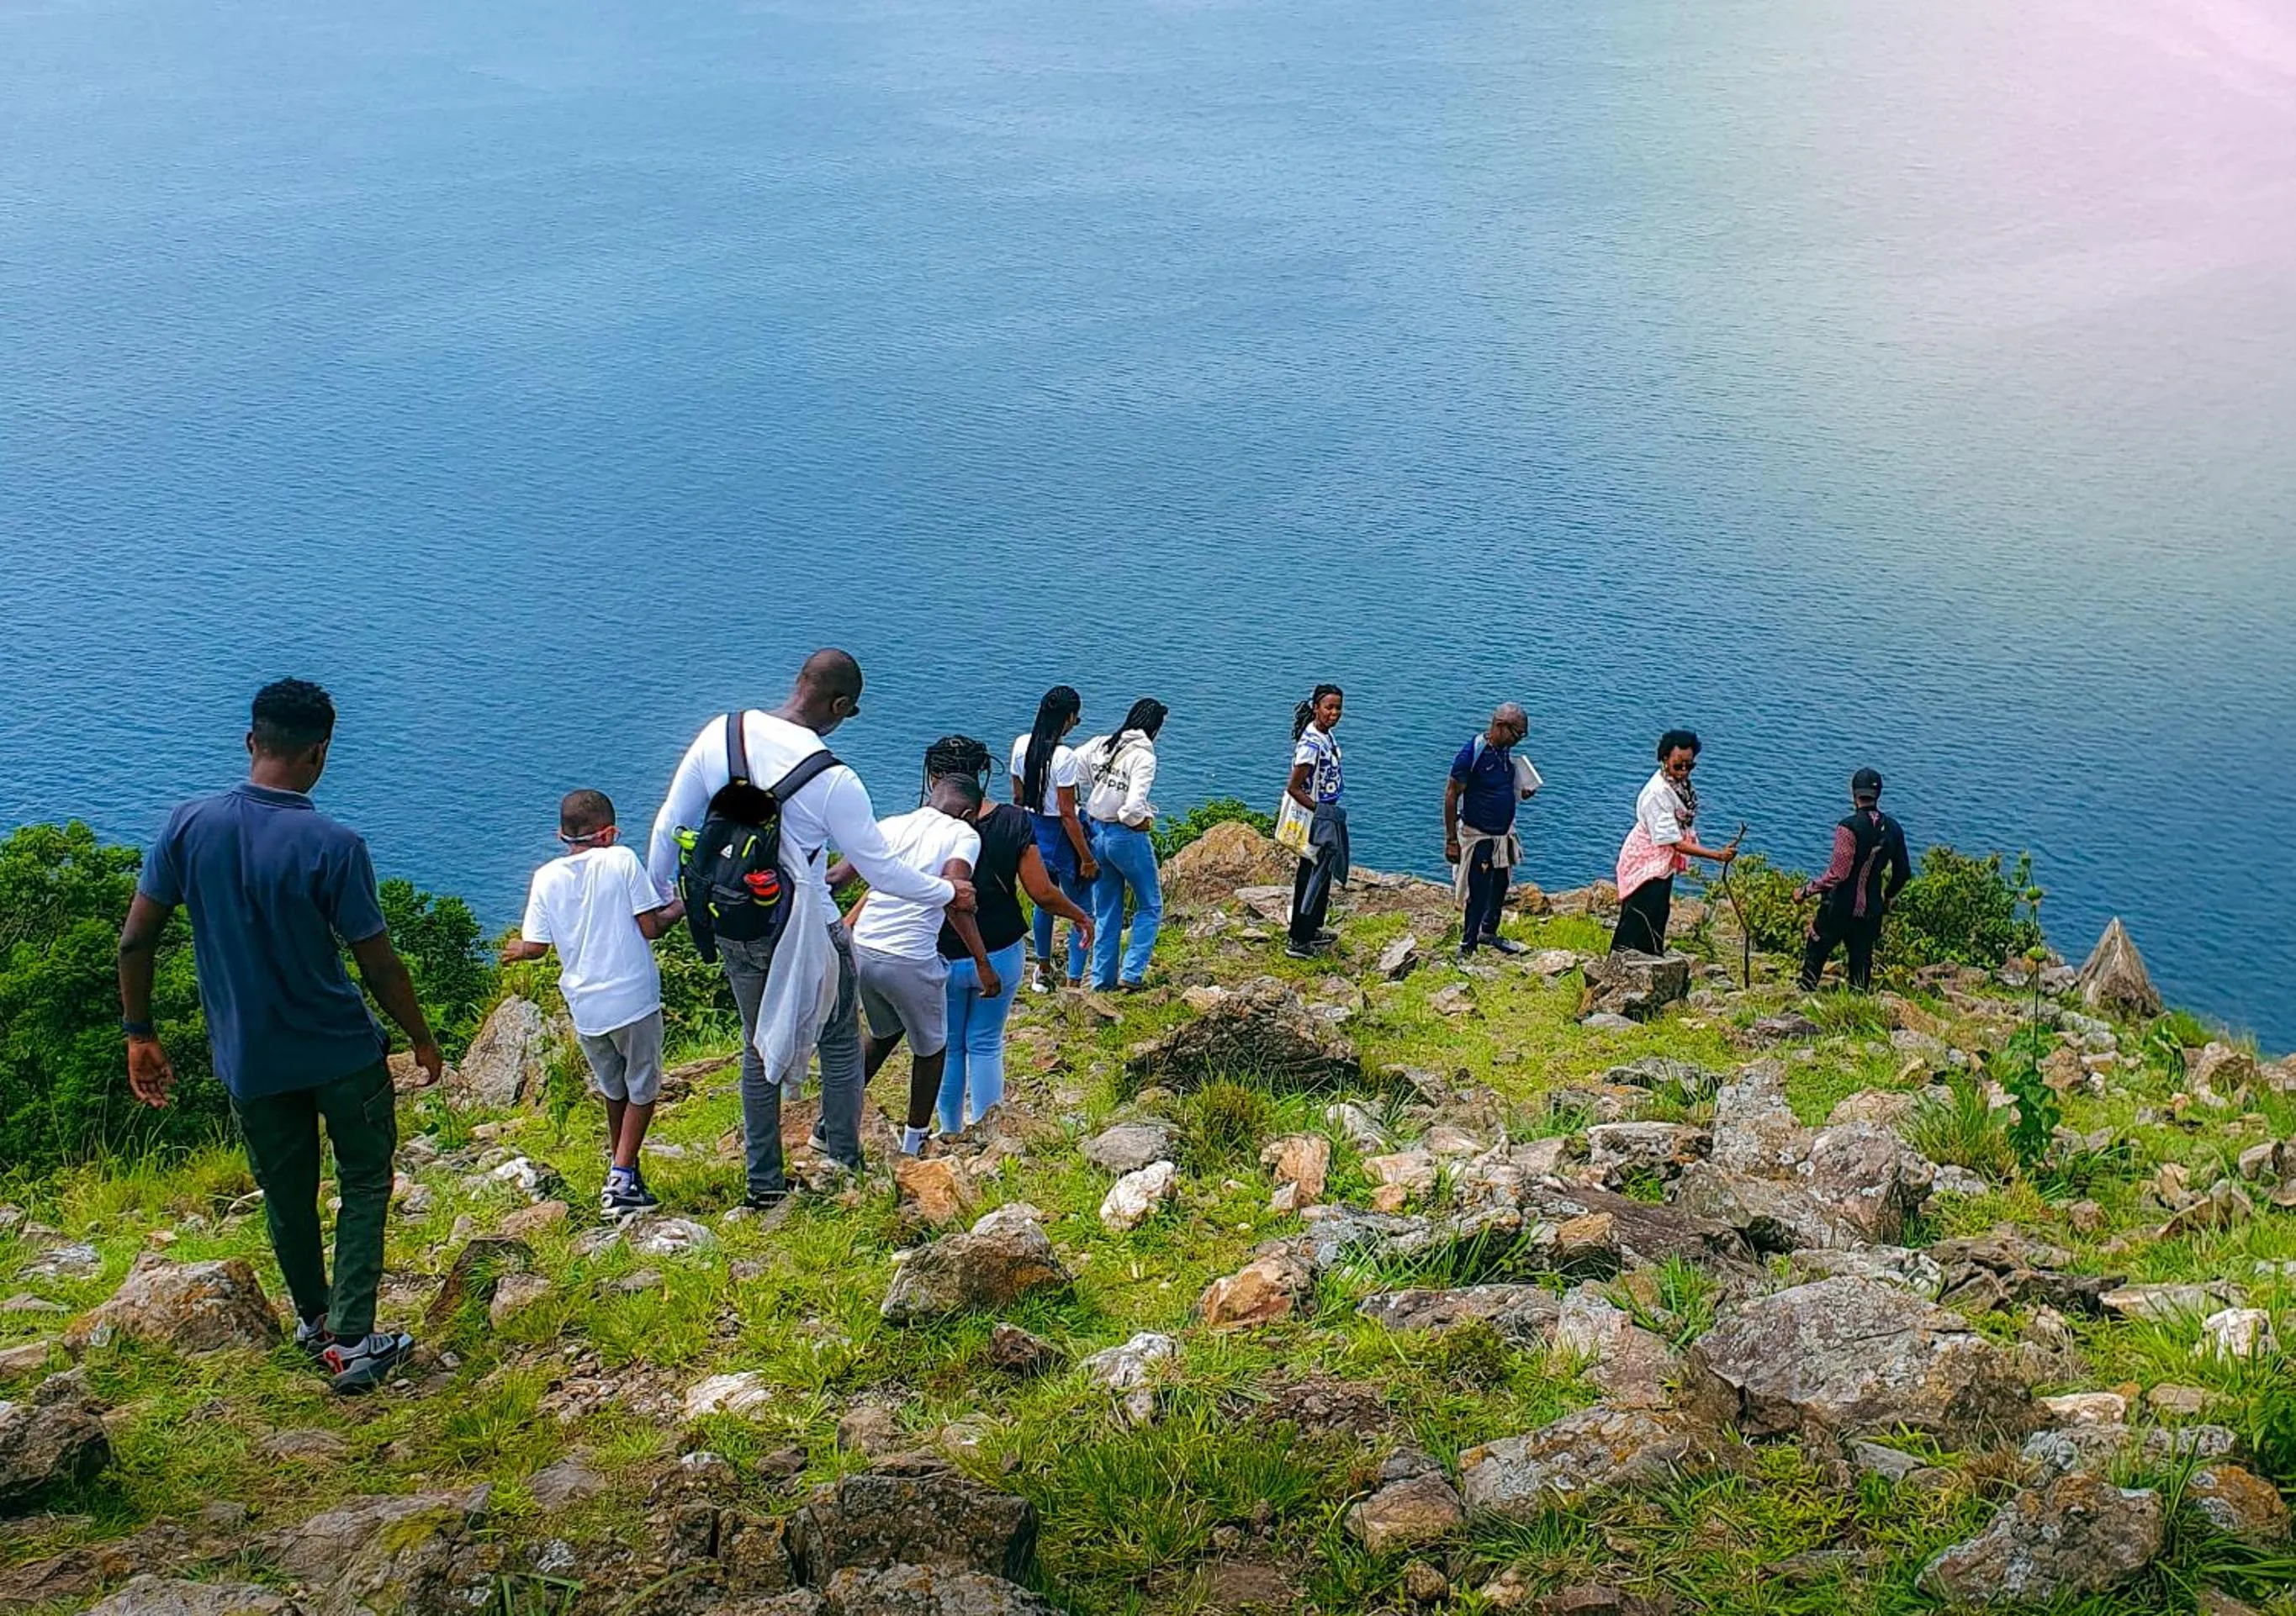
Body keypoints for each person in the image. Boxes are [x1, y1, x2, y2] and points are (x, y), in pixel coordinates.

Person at [116, 679, 436, 1394]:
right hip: (343, 1053)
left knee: (285, 1194)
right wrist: (421, 1037)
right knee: (362, 1181)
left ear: (250, 742)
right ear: (320, 753)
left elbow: (135, 943)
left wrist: (140, 1034)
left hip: (250, 1057)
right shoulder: (336, 845)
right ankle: (354, 1342)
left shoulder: (186, 827)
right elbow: (376, 962)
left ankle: (315, 1323)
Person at [645, 649, 976, 1207]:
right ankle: (842, 1162)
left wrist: (660, 902)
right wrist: (946, 891)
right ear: (840, 705)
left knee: (757, 1047)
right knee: (841, 1042)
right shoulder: (833, 779)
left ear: (798, 682)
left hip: (734, 921)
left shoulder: (722, 734)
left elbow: (669, 826)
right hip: (807, 928)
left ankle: (764, 1186)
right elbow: (882, 871)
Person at [500, 790, 685, 1215]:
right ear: (611, 833)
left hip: (586, 1007)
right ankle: (620, 1179)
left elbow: (537, 947)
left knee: (614, 1088)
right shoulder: (620, 860)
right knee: (644, 1087)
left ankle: (626, 1173)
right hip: (633, 997)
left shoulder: (545, 876)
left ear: (561, 835)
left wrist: (516, 949)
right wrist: (681, 905)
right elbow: (651, 927)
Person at [929, 736, 1093, 1132]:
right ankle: (989, 1133)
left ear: (935, 777)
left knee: (949, 1048)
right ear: (982, 774)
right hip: (1001, 949)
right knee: (985, 1043)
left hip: (942, 952)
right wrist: (1079, 915)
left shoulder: (924, 824)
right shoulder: (1013, 821)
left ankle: (948, 1131)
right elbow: (1041, 892)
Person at [834, 773, 995, 1156]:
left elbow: (844, 875)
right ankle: (914, 1142)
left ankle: (829, 1125)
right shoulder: (963, 835)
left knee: (885, 1031)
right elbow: (955, 895)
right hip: (909, 956)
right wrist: (982, 960)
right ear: (969, 812)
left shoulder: (890, 826)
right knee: (933, 1049)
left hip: (864, 948)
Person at [1612, 728, 1738, 956]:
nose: (1683, 771)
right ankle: (1619, 963)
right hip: (1646, 861)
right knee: (1638, 915)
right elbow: (1674, 842)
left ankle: (1651, 959)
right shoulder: (1657, 793)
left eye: (1689, 766)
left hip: (1662, 863)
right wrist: (1716, 855)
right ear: (1664, 759)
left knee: (1658, 915)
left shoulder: (1679, 787)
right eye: (1678, 765)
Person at [1011, 686, 1098, 992]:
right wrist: (1087, 858)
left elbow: (1018, 796)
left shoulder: (1021, 745)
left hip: (1033, 834)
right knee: (1082, 908)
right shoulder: (1065, 757)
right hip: (1062, 838)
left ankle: (1043, 968)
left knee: (1044, 899)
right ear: (1068, 718)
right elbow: (1067, 813)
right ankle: (1074, 979)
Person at [1077, 699, 1167, 990]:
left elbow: (1072, 770)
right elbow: (1131, 809)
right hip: (1124, 836)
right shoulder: (1144, 757)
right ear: (1155, 728)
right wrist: (1145, 822)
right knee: (1150, 906)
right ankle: (1131, 973)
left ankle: (1101, 981)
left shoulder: (1102, 744)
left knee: (1106, 909)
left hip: (1094, 831)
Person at [1796, 767, 1912, 992]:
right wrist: (1887, 897)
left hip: (1839, 906)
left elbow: (1839, 873)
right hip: (1871, 909)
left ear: (1854, 793)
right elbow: (1903, 872)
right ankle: (1857, 1006)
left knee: (1817, 948)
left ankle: (1805, 996)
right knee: (1861, 960)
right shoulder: (1894, 828)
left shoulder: (1848, 827)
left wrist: (1806, 891)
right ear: (1878, 794)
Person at [1446, 703, 1536, 959]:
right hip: (1480, 834)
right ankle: (1468, 942)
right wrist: (1451, 840)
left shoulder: (1504, 753)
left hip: (1503, 834)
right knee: (1479, 888)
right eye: (1517, 734)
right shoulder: (1473, 753)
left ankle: (1489, 931)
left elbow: (1501, 788)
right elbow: (1452, 794)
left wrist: (1522, 792)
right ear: (1500, 726)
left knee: (1500, 884)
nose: (1519, 740)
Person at [1284, 684, 1349, 960]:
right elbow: (1294, 787)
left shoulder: (1325, 736)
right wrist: (1321, 810)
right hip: (1316, 818)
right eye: (1329, 707)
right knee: (1310, 876)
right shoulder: (1311, 744)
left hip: (1325, 813)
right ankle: (1299, 937)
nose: (1334, 713)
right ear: (1316, 708)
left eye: (1338, 708)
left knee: (1321, 872)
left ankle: (1312, 928)